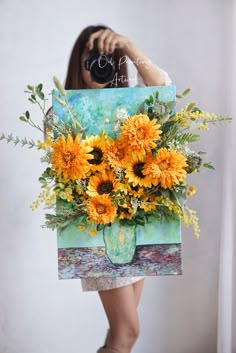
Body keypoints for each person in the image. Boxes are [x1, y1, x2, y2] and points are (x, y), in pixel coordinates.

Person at [64, 24, 172, 353]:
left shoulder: (133, 104)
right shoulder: (64, 111)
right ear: (77, 64)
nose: (99, 63)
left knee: (118, 335)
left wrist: (128, 47)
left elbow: (163, 87)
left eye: (106, 57)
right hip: (97, 228)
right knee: (128, 331)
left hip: (136, 222)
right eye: (91, 56)